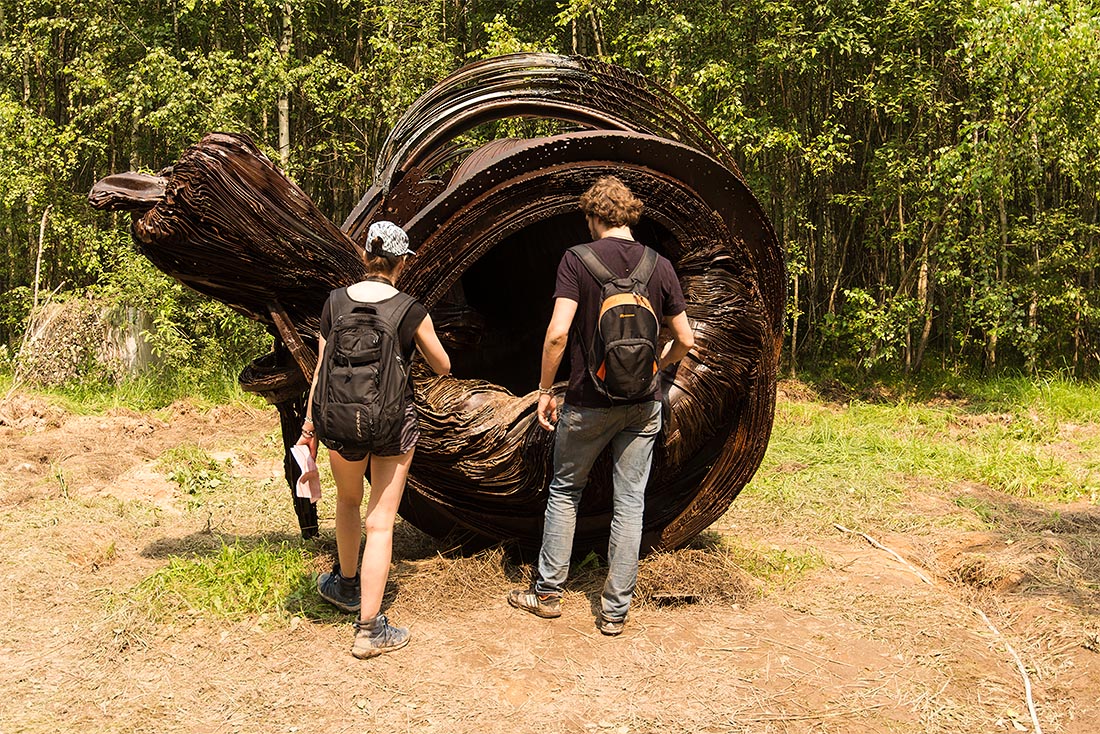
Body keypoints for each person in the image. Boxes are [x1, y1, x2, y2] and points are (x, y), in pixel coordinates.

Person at [507, 176, 694, 635]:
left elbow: (556, 334)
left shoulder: (577, 259)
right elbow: (685, 339)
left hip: (588, 401)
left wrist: (545, 391)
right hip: (643, 403)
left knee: (566, 491)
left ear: (593, 217)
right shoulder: (660, 266)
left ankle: (548, 593)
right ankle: (614, 612)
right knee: (630, 502)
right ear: (629, 215)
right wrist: (658, 370)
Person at [299, 220, 450, 659]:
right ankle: (369, 629)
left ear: (365, 256)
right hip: (391, 423)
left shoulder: (334, 303)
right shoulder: (409, 308)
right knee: (380, 521)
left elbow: (322, 370)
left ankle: (346, 585)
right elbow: (442, 364)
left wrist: (310, 426)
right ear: (401, 263)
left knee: (347, 502)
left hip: (339, 422)